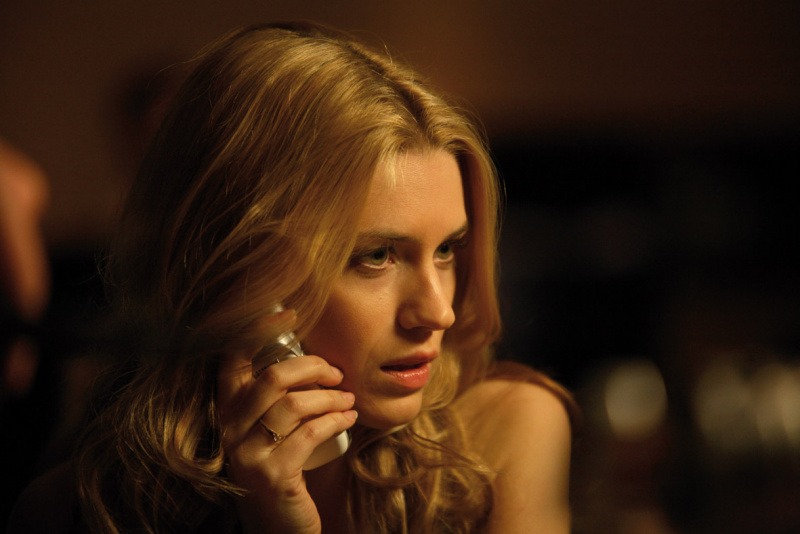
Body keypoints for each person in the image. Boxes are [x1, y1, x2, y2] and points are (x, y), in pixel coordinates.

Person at [8, 22, 576, 533]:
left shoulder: (504, 436)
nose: (438, 311)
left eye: (447, 249)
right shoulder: (77, 506)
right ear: (236, 265)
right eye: (377, 256)